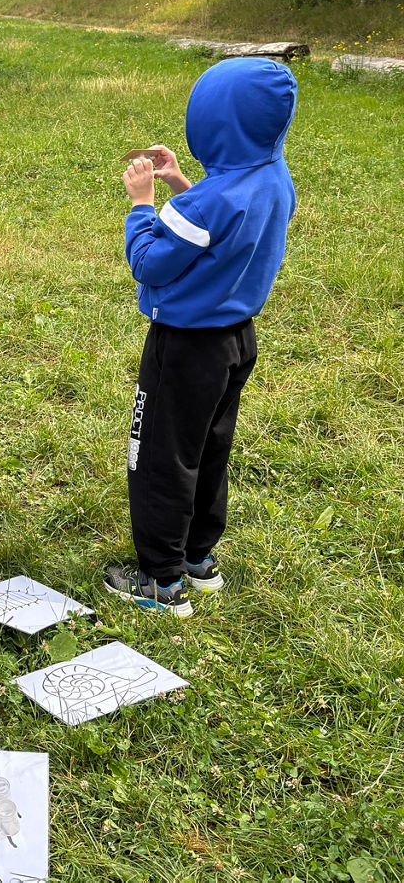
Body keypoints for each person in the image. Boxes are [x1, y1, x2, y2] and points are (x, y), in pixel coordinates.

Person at [103, 58, 297, 617]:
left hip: (184, 347)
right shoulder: (272, 179)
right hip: (236, 343)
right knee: (210, 449)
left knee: (161, 456)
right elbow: (222, 225)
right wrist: (180, 181)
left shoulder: (205, 203)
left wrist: (143, 202)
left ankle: (160, 580)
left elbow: (151, 263)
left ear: (212, 125)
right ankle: (197, 560)